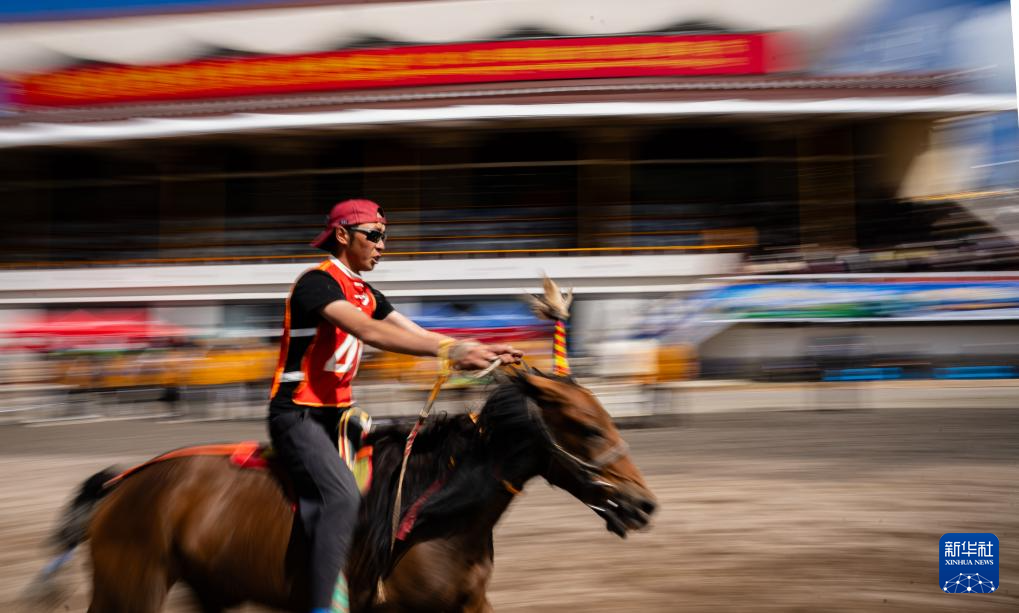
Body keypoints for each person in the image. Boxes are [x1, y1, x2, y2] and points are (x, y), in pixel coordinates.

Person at [268, 199, 522, 613]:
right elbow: (370, 332)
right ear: (343, 236)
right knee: (342, 498)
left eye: (385, 236)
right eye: (375, 235)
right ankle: (321, 605)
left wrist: (480, 348)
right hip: (298, 416)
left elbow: (415, 332)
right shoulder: (317, 283)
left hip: (341, 416)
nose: (383, 245)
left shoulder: (366, 292)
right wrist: (453, 351)